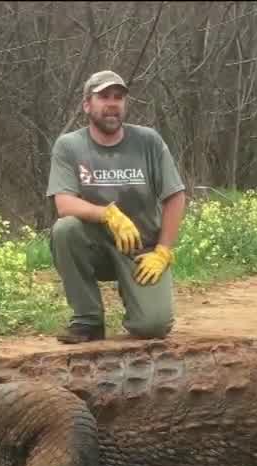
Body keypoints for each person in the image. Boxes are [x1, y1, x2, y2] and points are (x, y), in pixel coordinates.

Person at [45, 70, 187, 343]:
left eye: (119, 97)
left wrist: (163, 251)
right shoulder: (69, 146)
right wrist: (108, 214)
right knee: (66, 229)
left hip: (141, 252)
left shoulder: (148, 141)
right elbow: (63, 203)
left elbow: (175, 196)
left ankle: (139, 308)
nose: (112, 104)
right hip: (95, 246)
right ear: (87, 104)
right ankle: (88, 320)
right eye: (104, 97)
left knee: (153, 327)